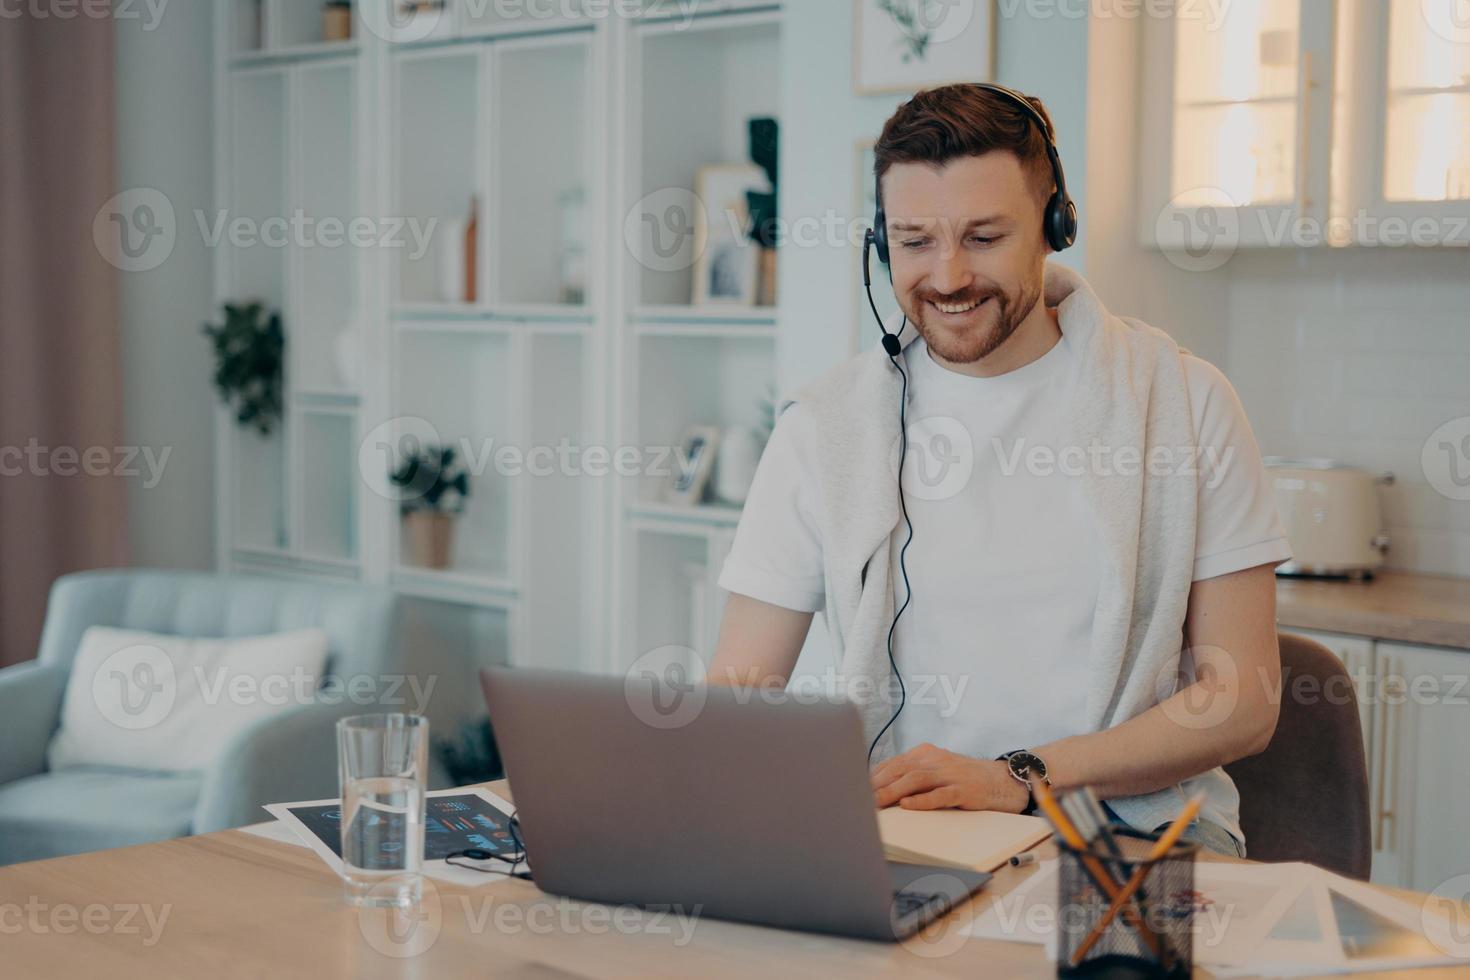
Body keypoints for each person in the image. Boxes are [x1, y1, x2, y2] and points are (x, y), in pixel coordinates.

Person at [708, 83, 1291, 858]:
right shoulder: (827, 428)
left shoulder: (1183, 403)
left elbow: (1243, 701)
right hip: (904, 836)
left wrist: (1019, 778)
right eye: (915, 241)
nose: (947, 277)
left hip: (1134, 836)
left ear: (1054, 227)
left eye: (982, 238)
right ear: (881, 243)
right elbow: (740, 693)